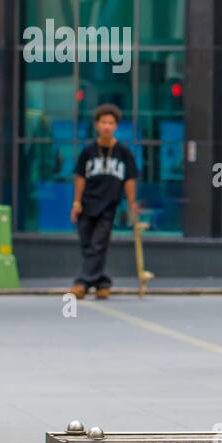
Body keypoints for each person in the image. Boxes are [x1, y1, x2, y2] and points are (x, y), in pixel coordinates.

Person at [69, 103, 139, 300]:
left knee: (98, 244)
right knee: (87, 244)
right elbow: (80, 178)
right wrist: (76, 203)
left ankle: (82, 283)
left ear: (116, 126)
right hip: (86, 204)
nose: (107, 126)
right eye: (103, 122)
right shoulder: (88, 151)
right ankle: (102, 282)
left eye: (111, 122)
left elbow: (130, 179)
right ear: (97, 125)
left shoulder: (124, 153)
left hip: (109, 206)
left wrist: (132, 204)